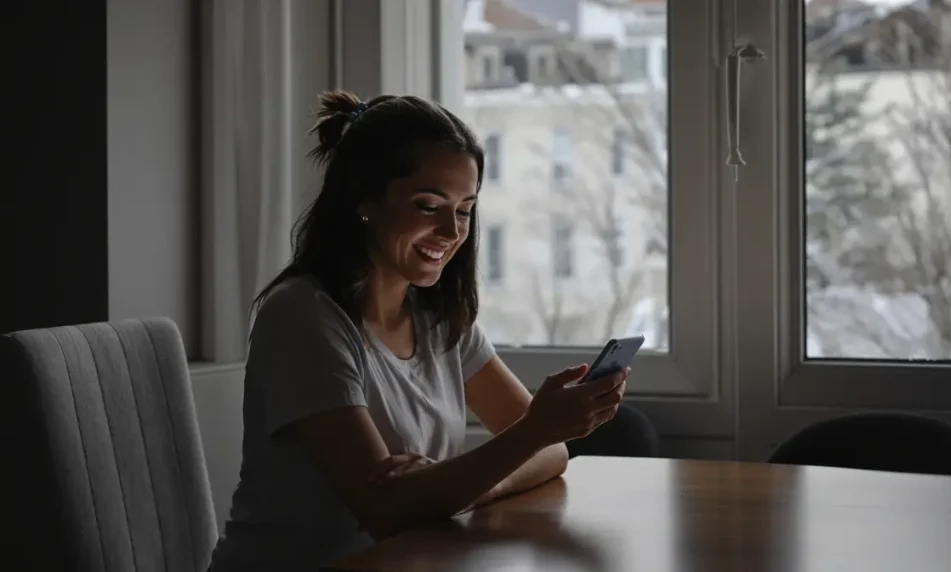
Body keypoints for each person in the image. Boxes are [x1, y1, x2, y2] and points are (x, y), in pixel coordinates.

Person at [207, 90, 641, 572]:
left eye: (464, 209)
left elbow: (552, 453)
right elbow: (387, 511)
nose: (452, 231)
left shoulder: (441, 318)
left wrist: (458, 487)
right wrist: (529, 434)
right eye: (428, 205)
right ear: (364, 199)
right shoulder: (303, 317)